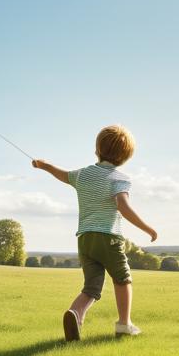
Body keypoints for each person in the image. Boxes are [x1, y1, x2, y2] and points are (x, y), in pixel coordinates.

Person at [32, 124, 158, 340]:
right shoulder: (120, 178)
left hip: (84, 239)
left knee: (91, 287)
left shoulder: (82, 175)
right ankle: (124, 324)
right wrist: (148, 228)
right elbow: (123, 206)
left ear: (97, 149)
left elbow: (61, 174)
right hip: (108, 238)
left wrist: (44, 165)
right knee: (123, 279)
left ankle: (76, 314)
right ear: (126, 156)